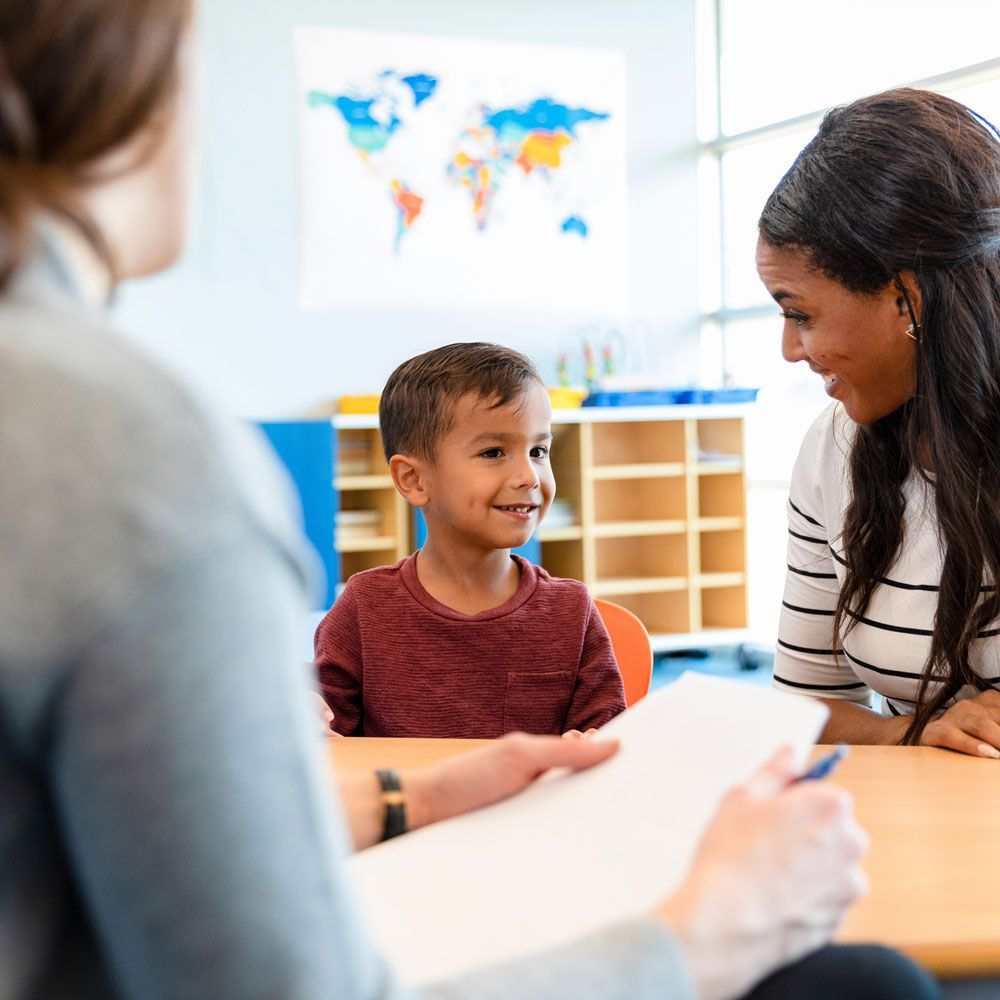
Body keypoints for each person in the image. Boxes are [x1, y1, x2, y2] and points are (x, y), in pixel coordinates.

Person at [0, 3, 940, 998]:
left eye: (536, 449)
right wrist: (702, 939)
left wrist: (407, 800)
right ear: (141, 102)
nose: (526, 475)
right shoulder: (135, 455)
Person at [757, 87, 1000, 758]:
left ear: (906, 299)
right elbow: (809, 707)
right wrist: (919, 732)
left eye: (800, 313)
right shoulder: (833, 450)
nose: (789, 349)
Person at [315, 343, 626, 738]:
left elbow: (608, 738)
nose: (529, 476)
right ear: (414, 480)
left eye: (538, 450)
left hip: (532, 802)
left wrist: (593, 742)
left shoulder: (570, 612)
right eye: (494, 452)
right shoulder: (365, 607)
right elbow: (323, 737)